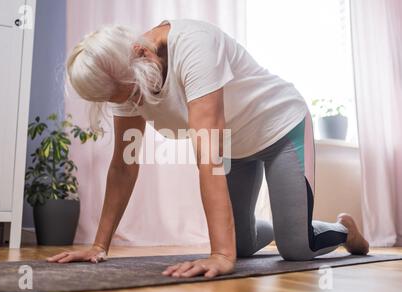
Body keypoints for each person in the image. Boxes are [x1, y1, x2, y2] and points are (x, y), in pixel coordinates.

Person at [47, 19, 369, 278]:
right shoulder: (122, 75)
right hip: (234, 145)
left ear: (141, 54)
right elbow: (123, 164)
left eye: (132, 95)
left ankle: (344, 229)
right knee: (241, 244)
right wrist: (99, 245)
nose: (133, 105)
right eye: (121, 100)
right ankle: (284, 225)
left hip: (280, 127)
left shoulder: (193, 46)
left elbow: (208, 156)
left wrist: (220, 256)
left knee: (297, 247)